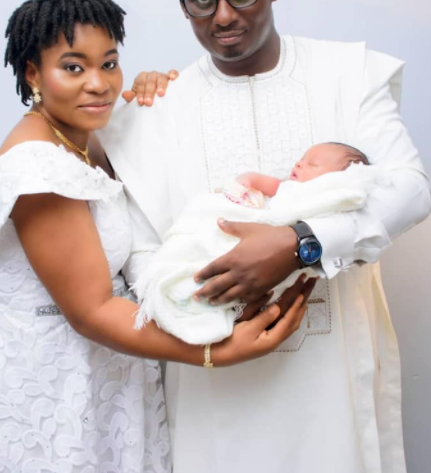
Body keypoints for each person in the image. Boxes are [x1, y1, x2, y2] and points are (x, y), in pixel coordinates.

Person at [101, 0, 431, 473]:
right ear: (183, 4)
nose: (223, 15)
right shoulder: (154, 111)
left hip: (332, 376)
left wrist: (299, 242)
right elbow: (140, 253)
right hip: (213, 383)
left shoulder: (349, 73)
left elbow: (410, 189)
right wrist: (207, 324)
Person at [0, 0, 314, 473]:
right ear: (33, 73)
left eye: (110, 63)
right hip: (48, 387)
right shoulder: (39, 169)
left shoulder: (80, 137)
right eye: (73, 67)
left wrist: (149, 96)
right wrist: (215, 352)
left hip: (99, 372)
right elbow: (92, 310)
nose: (98, 83)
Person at [135, 142, 384, 346]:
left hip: (282, 255)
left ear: (334, 182)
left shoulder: (322, 199)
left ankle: (194, 301)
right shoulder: (288, 188)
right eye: (301, 159)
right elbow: (264, 183)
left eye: (312, 164)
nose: (299, 164)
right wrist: (248, 182)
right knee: (206, 230)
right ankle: (183, 288)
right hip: (245, 230)